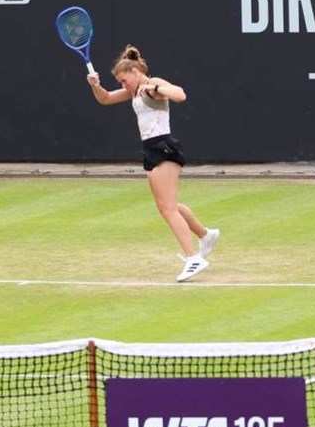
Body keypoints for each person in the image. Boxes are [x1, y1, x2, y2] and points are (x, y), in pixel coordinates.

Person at [85, 45, 220, 283]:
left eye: (124, 80)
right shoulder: (134, 92)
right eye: (120, 81)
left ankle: (193, 258)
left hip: (164, 147)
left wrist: (155, 87)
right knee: (168, 206)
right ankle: (205, 235)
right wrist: (95, 84)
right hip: (150, 149)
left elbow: (180, 94)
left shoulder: (150, 86)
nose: (123, 85)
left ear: (136, 72)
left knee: (167, 209)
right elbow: (105, 99)